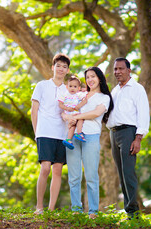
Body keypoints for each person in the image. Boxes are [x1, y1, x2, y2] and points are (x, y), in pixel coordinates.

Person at [63, 67, 114, 219]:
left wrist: (78, 116)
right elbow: (67, 109)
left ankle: (93, 211)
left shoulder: (104, 97)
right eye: (87, 77)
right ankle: (76, 209)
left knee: (91, 175)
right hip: (72, 137)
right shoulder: (80, 94)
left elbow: (96, 113)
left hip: (91, 137)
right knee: (74, 176)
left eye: (93, 76)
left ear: (99, 78)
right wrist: (68, 118)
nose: (90, 79)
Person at [106, 57, 150, 219]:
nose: (117, 72)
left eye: (121, 69)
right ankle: (128, 209)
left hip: (128, 133)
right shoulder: (114, 91)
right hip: (114, 133)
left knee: (128, 172)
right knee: (121, 172)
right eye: (115, 69)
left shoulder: (137, 89)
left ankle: (133, 212)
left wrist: (138, 138)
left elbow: (143, 114)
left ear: (129, 70)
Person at [31, 53, 71, 214]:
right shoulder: (41, 85)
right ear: (52, 67)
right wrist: (36, 133)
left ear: (67, 70)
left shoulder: (68, 90)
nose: (61, 69)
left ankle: (51, 209)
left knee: (57, 170)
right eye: (58, 66)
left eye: (64, 67)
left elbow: (71, 112)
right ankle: (39, 207)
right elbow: (34, 111)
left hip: (61, 133)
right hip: (44, 131)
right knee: (45, 168)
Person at [58, 75, 88, 150]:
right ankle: (78, 133)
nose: (72, 88)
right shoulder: (65, 95)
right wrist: (67, 108)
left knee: (74, 125)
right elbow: (60, 104)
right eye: (70, 86)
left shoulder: (78, 94)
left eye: (75, 87)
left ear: (78, 88)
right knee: (79, 120)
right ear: (67, 87)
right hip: (69, 114)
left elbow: (85, 99)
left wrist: (79, 106)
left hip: (75, 113)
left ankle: (69, 139)